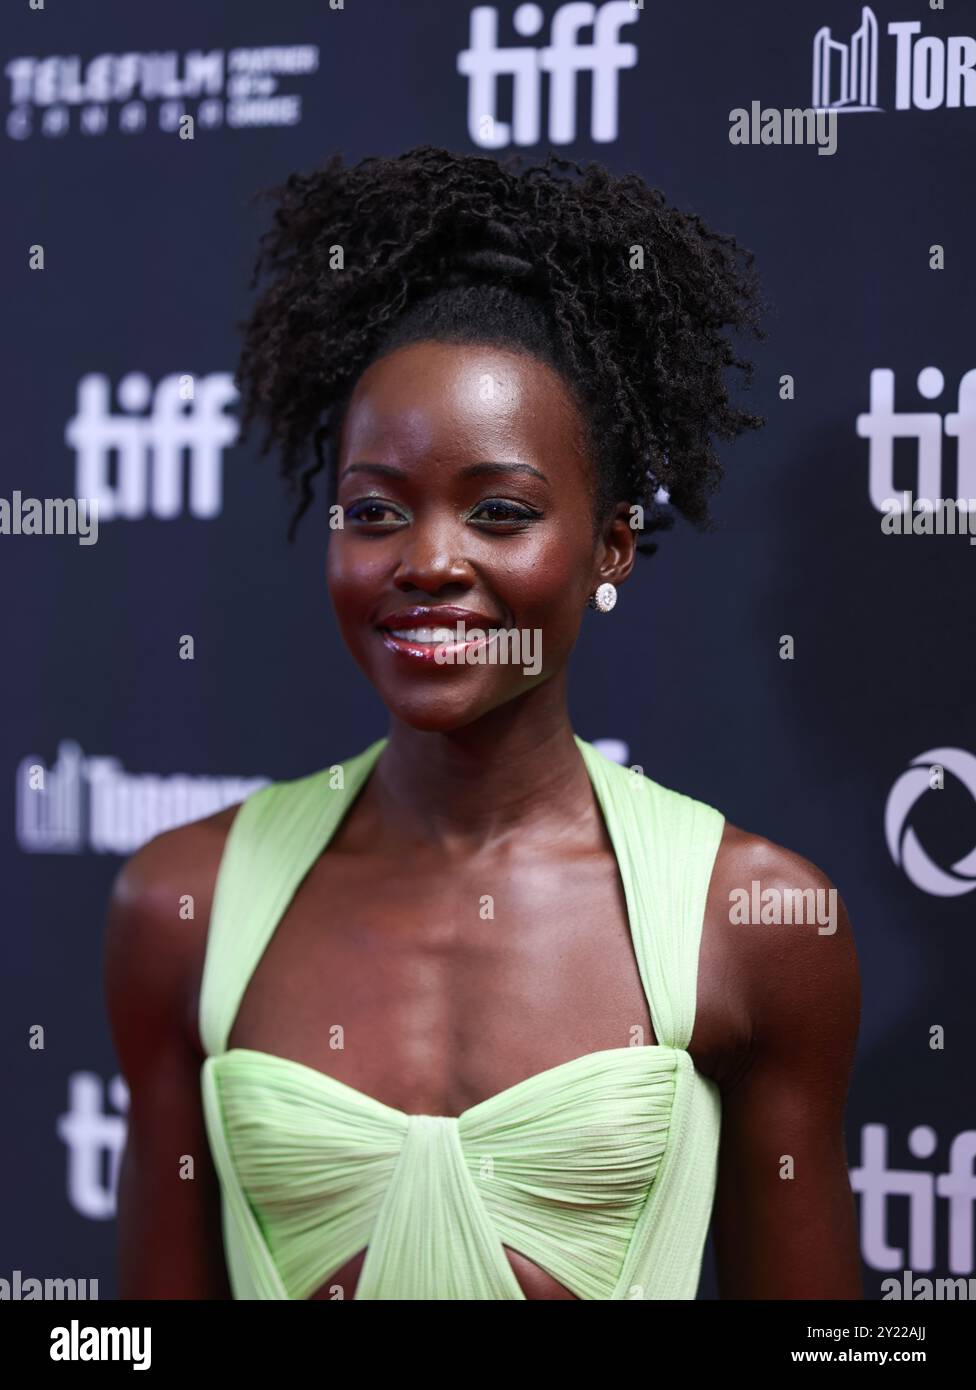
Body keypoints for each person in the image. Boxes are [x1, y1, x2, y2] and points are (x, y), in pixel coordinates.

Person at [104, 145, 862, 1300]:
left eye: (498, 511)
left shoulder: (753, 919)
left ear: (610, 544)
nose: (428, 563)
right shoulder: (178, 906)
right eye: (374, 511)